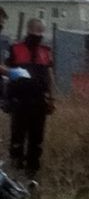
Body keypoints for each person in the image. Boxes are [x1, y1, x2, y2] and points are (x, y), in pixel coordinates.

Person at [6, 19, 55, 178]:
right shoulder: (15, 49)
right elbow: (7, 74)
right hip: (20, 101)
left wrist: (51, 99)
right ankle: (15, 170)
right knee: (17, 137)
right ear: (28, 31)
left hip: (39, 101)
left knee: (36, 140)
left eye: (41, 32)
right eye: (35, 32)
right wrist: (7, 98)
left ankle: (32, 174)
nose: (38, 36)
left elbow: (49, 75)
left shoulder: (45, 51)